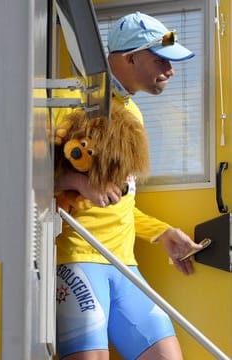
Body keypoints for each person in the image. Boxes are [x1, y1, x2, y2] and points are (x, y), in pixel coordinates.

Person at [54, 12, 203, 360]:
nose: (170, 70)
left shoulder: (132, 113)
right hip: (77, 258)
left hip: (124, 264)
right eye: (161, 60)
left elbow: (121, 201)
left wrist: (161, 232)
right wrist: (77, 181)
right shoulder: (66, 99)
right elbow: (18, 180)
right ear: (130, 57)